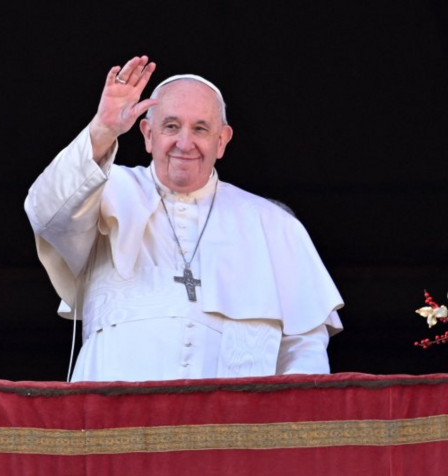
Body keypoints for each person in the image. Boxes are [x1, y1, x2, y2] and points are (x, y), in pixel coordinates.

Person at [24, 55, 344, 382]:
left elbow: (304, 350)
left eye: (201, 129)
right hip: (114, 421)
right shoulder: (105, 189)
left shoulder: (274, 225)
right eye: (171, 126)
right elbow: (46, 212)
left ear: (222, 141)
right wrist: (102, 130)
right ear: (148, 134)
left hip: (231, 427)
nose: (184, 143)